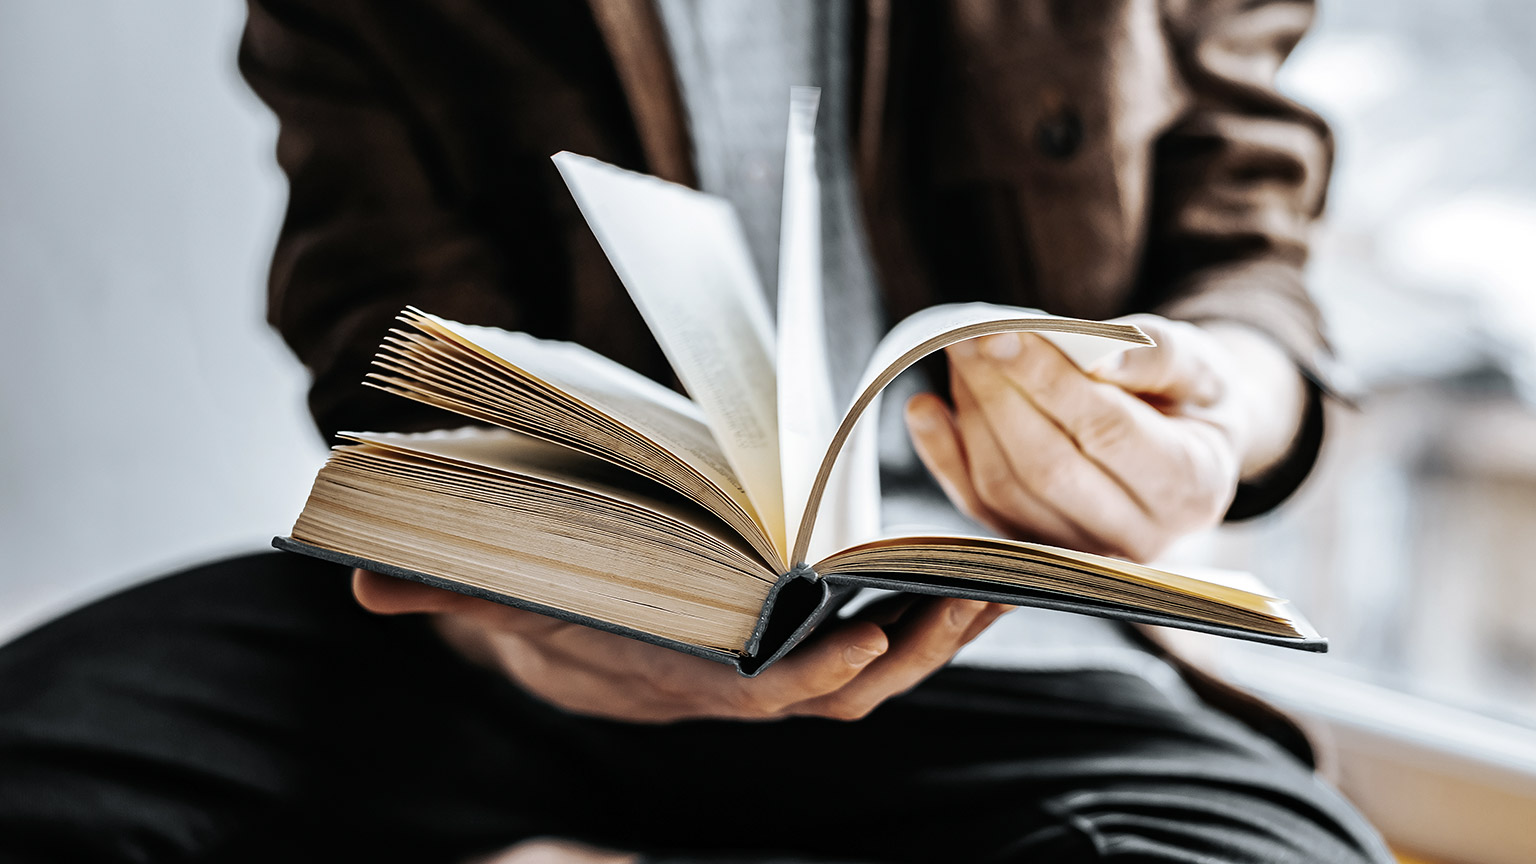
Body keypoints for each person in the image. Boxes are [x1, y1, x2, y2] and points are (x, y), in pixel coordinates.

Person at [0, 1, 1392, 862]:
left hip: (996, 631)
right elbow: (374, 316)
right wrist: (508, 601)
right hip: (518, 620)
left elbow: (1253, 268)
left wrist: (1209, 401)